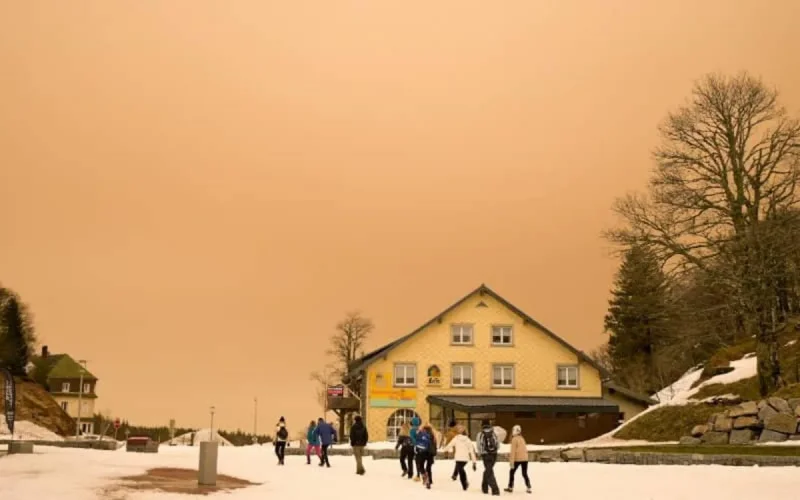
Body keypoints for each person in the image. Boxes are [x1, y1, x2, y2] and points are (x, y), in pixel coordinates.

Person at [476, 419, 500, 496]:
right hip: (494, 454)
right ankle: (484, 487)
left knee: (489, 471)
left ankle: (495, 489)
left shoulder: (480, 434)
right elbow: (498, 445)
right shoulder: (494, 433)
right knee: (488, 470)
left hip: (485, 454)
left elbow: (478, 445)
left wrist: (480, 453)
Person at [506, 425, 532, 493]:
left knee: (511, 472)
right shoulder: (522, 438)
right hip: (525, 459)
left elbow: (513, 451)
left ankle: (510, 487)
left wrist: (511, 462)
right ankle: (528, 487)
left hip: (517, 459)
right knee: (524, 473)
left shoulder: (514, 439)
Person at [414, 424, 437, 489]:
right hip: (430, 453)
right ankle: (430, 480)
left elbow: (417, 442)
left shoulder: (421, 434)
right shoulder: (433, 435)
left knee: (421, 465)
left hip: (422, 452)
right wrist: (434, 453)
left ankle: (425, 476)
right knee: (428, 467)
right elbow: (435, 445)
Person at [409, 415, 422, 481]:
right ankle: (422, 473)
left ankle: (418, 475)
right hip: (422, 447)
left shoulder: (412, 430)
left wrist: (415, 444)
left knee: (417, 461)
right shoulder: (420, 429)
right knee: (421, 461)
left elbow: (412, 438)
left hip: (416, 447)